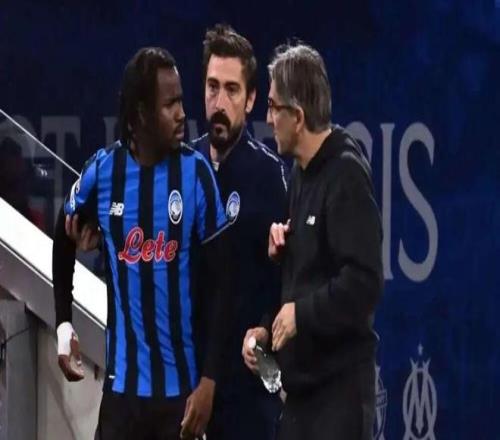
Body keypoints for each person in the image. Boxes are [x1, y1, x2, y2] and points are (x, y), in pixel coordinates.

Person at [52, 46, 233, 440]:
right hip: (122, 396)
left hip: (180, 399)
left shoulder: (196, 174)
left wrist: (209, 381)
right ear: (140, 114)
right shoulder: (104, 171)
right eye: (170, 104)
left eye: (181, 101)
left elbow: (223, 285)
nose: (182, 114)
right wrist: (63, 324)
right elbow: (62, 235)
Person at [242, 42, 383, 440]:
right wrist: (269, 330)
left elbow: (365, 282)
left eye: (273, 107)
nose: (268, 118)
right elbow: (307, 279)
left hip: (338, 400)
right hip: (302, 400)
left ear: (298, 117)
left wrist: (301, 316)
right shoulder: (301, 174)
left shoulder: (346, 176)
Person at [190, 24, 287, 440]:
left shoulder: (268, 176)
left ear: (250, 100)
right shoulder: (182, 167)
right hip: (183, 382)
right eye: (212, 87)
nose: (219, 102)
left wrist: (265, 328)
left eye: (232, 90)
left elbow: (287, 278)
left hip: (245, 392)